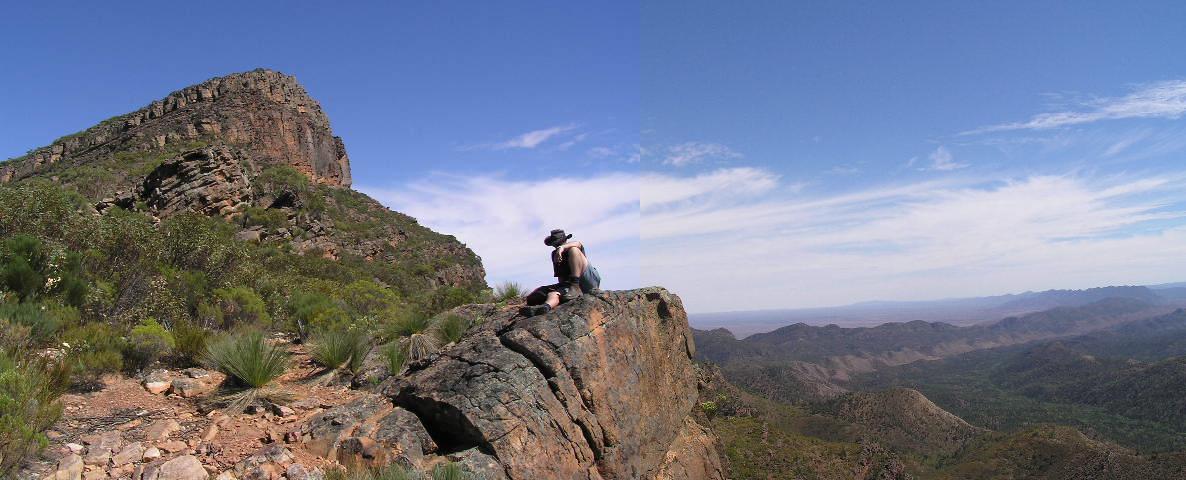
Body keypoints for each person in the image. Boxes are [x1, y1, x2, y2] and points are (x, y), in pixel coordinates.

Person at [520, 229, 601, 316]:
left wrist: (562, 248)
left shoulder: (574, 246)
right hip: (572, 288)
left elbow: (578, 243)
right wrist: (561, 290)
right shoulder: (555, 255)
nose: (556, 246)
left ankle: (575, 284)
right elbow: (561, 276)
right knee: (553, 293)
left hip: (588, 280)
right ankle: (545, 307)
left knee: (573, 250)